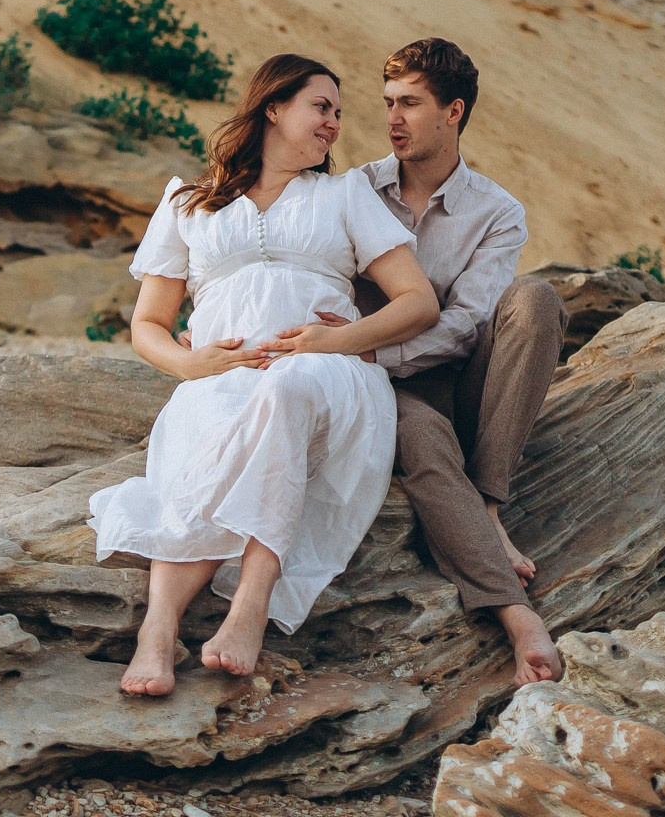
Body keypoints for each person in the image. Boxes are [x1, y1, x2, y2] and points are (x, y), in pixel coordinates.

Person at [89, 53, 442, 698]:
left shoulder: (343, 195)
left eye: (339, 112)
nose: (334, 123)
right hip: (221, 376)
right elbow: (148, 324)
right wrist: (189, 364)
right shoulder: (188, 202)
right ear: (273, 108)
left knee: (286, 387)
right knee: (205, 437)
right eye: (321, 107)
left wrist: (336, 341)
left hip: (328, 376)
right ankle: (158, 629)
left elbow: (417, 303)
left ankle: (250, 605)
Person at [354, 38, 567, 684]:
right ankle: (517, 617)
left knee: (536, 300)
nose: (393, 118)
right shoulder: (356, 189)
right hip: (381, 388)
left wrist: (381, 348)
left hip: (454, 378)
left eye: (410, 104)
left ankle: (490, 505)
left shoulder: (497, 211)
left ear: (454, 112)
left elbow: (469, 320)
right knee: (424, 440)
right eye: (388, 102)